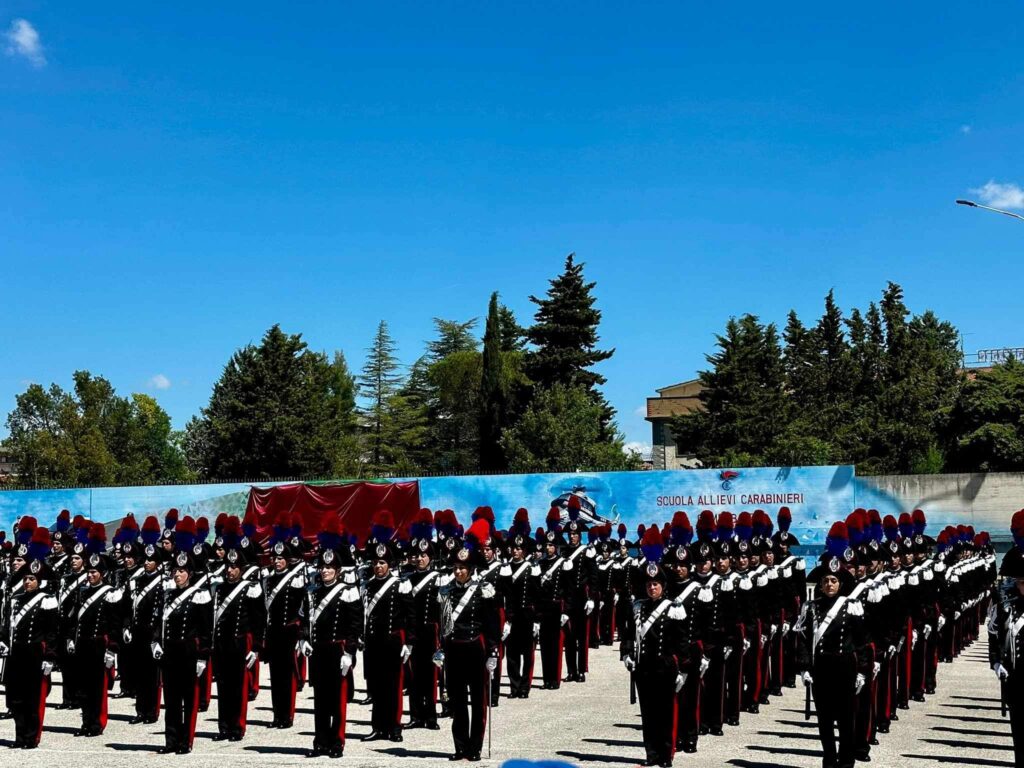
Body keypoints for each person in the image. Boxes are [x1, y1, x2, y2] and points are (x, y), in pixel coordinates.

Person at [796, 539, 869, 768]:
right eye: (826, 580)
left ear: (840, 584)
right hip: (822, 669)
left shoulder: (851, 606)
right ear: (820, 584)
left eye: (834, 581)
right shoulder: (811, 608)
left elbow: (861, 641)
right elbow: (804, 641)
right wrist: (805, 668)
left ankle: (846, 762)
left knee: (847, 720)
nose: (829, 584)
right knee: (825, 721)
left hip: (845, 667)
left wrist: (862, 671)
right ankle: (829, 759)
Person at [436, 519, 500, 762]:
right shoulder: (446, 591)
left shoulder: (483, 589)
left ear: (471, 569)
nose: (459, 571)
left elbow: (492, 624)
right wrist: (440, 649)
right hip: (454, 649)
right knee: (458, 701)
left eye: (463, 567)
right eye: (456, 567)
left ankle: (475, 748)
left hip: (476, 647)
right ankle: (460, 746)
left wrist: (493, 652)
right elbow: (442, 625)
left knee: (478, 701)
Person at [620, 551, 688, 768]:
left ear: (663, 586)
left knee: (665, 714)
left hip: (665, 667)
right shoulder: (637, 607)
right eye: (649, 584)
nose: (652, 588)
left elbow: (681, 641)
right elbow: (629, 633)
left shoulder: (673, 608)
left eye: (656, 584)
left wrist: (683, 669)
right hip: (643, 668)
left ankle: (666, 755)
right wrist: (626, 654)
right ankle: (652, 754)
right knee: (648, 715)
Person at [304, 546, 362, 758]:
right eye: (322, 567)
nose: (325, 571)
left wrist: (350, 652)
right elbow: (305, 620)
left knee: (337, 700)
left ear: (338, 571)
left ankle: (337, 743)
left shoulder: (348, 591)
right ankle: (321, 742)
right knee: (320, 699)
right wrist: (303, 639)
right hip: (319, 650)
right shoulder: (312, 592)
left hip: (338, 650)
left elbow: (355, 625)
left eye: (329, 568)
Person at [155, 550, 213, 754]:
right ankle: (170, 741)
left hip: (189, 653)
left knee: (188, 701)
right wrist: (156, 642)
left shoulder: (200, 595)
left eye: (181, 571)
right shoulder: (167, 595)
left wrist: (203, 657)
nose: (177, 574)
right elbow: (159, 623)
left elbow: (206, 630)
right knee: (170, 700)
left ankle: (185, 741)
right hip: (170, 653)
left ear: (189, 573)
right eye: (175, 571)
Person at [0, 554, 59, 748]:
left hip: (34, 654)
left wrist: (50, 656)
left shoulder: (47, 600)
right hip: (16, 653)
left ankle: (31, 737)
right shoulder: (15, 600)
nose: (28, 582)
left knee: (31, 698)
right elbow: (7, 626)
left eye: (32, 579)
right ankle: (19, 736)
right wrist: (3, 641)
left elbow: (52, 631)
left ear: (39, 581)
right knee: (16, 698)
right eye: (25, 579)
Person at [69, 533, 122, 738]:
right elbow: (75, 619)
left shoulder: (110, 593)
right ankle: (86, 721)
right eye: (89, 572)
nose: (90, 576)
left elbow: (115, 624)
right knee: (83, 686)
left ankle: (97, 723)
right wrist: (70, 638)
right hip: (82, 643)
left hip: (99, 645)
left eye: (94, 572)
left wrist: (111, 650)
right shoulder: (82, 592)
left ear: (102, 573)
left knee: (96, 687)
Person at [362, 539, 414, 742]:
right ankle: (378, 727)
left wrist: (409, 642)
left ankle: (394, 727)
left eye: (382, 563)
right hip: (374, 642)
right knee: (376, 686)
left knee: (393, 686)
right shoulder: (368, 586)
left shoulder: (400, 585)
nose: (378, 566)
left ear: (389, 565)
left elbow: (411, 615)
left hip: (393, 642)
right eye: (375, 563)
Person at [212, 547, 266, 741]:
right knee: (223, 688)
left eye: (234, 567)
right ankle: (224, 727)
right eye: (228, 566)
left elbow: (259, 620)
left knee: (238, 689)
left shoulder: (250, 589)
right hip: (221, 646)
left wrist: (256, 648)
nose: (230, 570)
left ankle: (237, 728)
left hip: (240, 644)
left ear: (241, 569)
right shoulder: (219, 589)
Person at [263, 537, 308, 729]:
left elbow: (304, 609)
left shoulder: (296, 580)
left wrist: (302, 634)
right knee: (275, 674)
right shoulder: (268, 580)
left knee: (288, 675)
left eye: (281, 558)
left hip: (289, 631)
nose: (277, 561)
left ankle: (287, 716)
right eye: (275, 558)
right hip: (273, 631)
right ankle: (277, 715)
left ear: (288, 560)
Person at [501, 532, 540, 699]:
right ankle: (514, 686)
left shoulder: (532, 568)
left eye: (519, 549)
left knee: (527, 653)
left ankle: (525, 687)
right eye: (514, 548)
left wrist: (537, 620)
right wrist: (506, 619)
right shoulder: (506, 569)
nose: (515, 551)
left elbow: (537, 595)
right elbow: (504, 595)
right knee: (512, 654)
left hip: (527, 616)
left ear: (524, 551)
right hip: (512, 616)